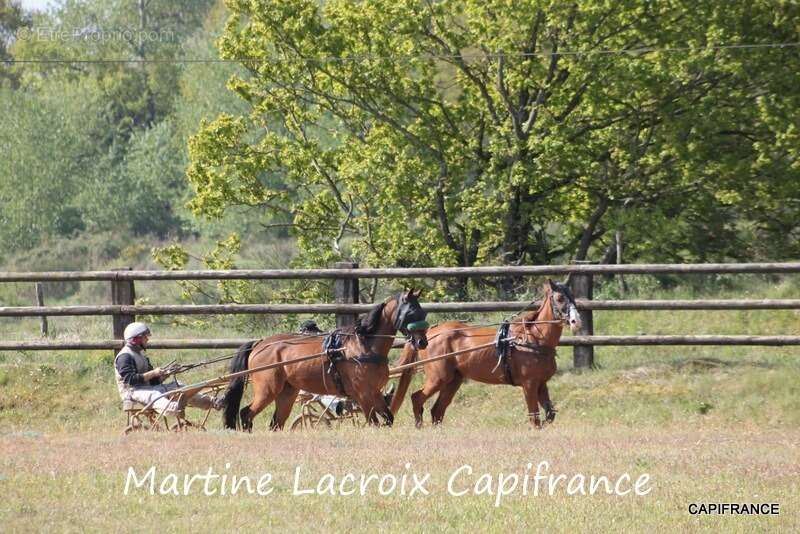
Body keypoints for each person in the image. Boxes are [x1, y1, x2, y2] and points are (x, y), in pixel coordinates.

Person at [114, 322, 221, 416]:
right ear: (137, 339)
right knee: (154, 395)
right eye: (145, 337)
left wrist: (167, 373)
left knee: (179, 386)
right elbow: (130, 380)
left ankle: (213, 402)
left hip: (146, 389)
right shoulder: (125, 356)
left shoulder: (142, 356)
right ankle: (174, 409)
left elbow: (153, 382)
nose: (147, 339)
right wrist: (153, 372)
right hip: (132, 392)